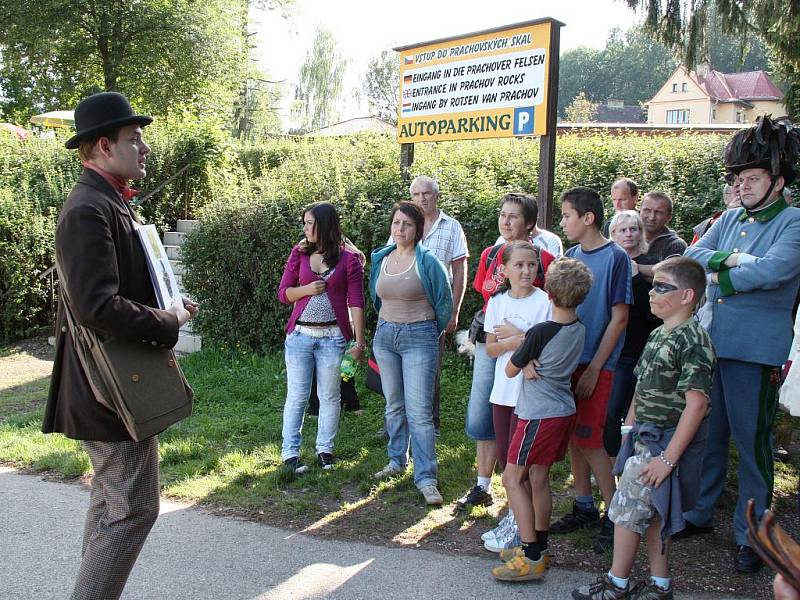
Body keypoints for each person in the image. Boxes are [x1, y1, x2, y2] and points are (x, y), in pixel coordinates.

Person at [43, 92, 197, 600]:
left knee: (113, 506)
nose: (145, 147)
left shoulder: (105, 201)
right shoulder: (89, 208)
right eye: (135, 139)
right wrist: (166, 320)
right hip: (107, 388)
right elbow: (96, 306)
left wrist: (168, 302)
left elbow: (114, 288)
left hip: (112, 382)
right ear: (105, 146)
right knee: (132, 508)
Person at [682, 116, 800, 573]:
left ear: (778, 181)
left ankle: (752, 534)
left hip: (756, 351)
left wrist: (721, 280)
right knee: (710, 435)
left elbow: (772, 272)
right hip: (715, 345)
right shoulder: (729, 218)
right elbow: (691, 255)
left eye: (753, 178)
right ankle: (699, 513)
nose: (743, 186)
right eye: (740, 178)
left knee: (753, 446)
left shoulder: (793, 222)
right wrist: (730, 259)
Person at [571, 256, 714, 600]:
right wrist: (627, 432)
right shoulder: (657, 333)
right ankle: (659, 586)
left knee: (625, 511)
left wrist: (666, 460)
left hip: (666, 442)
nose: (653, 292)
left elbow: (697, 405)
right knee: (652, 514)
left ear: (687, 296)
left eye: (664, 287)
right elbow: (641, 385)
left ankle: (617, 583)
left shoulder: (693, 340)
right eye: (654, 284)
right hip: (643, 438)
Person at [491, 258, 592, 582]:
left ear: (548, 291)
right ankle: (541, 547)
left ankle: (531, 555)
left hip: (537, 415)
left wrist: (525, 352)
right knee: (538, 479)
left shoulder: (540, 332)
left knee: (511, 479)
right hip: (563, 410)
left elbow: (509, 369)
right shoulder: (579, 327)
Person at [460, 193, 555, 518]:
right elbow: (487, 295)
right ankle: (483, 484)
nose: (506, 221)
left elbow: (549, 308)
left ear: (529, 223)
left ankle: (520, 493)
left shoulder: (543, 259)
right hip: (493, 340)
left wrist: (521, 340)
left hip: (526, 343)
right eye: (503, 215)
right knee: (483, 410)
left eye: (513, 216)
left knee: (520, 414)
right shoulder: (490, 254)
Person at [552, 187, 631, 554]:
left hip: (597, 366)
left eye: (567, 215)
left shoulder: (615, 257)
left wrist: (595, 368)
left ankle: (616, 515)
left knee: (591, 438)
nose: (563, 221)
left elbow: (619, 317)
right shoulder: (570, 255)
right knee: (573, 434)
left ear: (588, 218)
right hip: (569, 361)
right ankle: (584, 504)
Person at [370, 201, 453, 505]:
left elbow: (444, 303)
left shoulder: (428, 261)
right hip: (385, 336)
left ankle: (427, 477)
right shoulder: (382, 257)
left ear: (419, 229)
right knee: (393, 405)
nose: (400, 229)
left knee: (419, 412)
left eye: (407, 224)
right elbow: (375, 296)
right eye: (396, 223)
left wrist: (428, 329)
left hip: (419, 336)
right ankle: (396, 461)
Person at [278, 202, 366, 473]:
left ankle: (325, 450)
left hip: (333, 338)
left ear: (324, 226)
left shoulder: (348, 260)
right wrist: (306, 289)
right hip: (300, 336)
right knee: (297, 396)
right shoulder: (299, 254)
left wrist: (359, 343)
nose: (305, 228)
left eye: (309, 223)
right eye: (304, 223)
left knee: (329, 396)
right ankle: (290, 453)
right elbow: (284, 294)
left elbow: (356, 302)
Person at [481, 241, 552, 552]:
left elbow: (549, 347)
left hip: (533, 396)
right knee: (509, 465)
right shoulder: (498, 302)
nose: (526, 270)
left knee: (529, 471)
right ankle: (514, 522)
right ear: (505, 270)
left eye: (532, 265)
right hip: (504, 392)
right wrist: (521, 342)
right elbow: (492, 347)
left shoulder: (546, 302)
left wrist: (515, 337)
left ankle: (526, 531)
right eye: (520, 265)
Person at [407, 175, 469, 433]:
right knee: (401, 365)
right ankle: (398, 422)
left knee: (430, 366)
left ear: (437, 196)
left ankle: (431, 422)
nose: (422, 199)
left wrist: (454, 311)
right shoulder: (406, 223)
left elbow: (460, 269)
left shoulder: (451, 226)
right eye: (417, 195)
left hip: (435, 308)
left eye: (427, 194)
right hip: (405, 304)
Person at [604, 211, 661, 458]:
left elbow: (653, 312)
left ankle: (635, 457)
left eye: (633, 229)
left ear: (641, 233)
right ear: (612, 235)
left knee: (637, 409)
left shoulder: (653, 263)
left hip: (639, 347)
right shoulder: (608, 261)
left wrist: (638, 275)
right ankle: (611, 459)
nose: (629, 234)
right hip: (612, 347)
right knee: (611, 409)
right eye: (622, 230)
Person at [637, 191, 687, 281]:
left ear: (669, 217)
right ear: (640, 211)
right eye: (647, 210)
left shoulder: (675, 245)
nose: (652, 217)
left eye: (658, 212)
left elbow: (670, 273)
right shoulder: (628, 237)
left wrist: (633, 267)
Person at [690, 181, 741, 245]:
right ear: (726, 196)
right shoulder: (708, 225)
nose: (739, 196)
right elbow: (692, 252)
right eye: (736, 192)